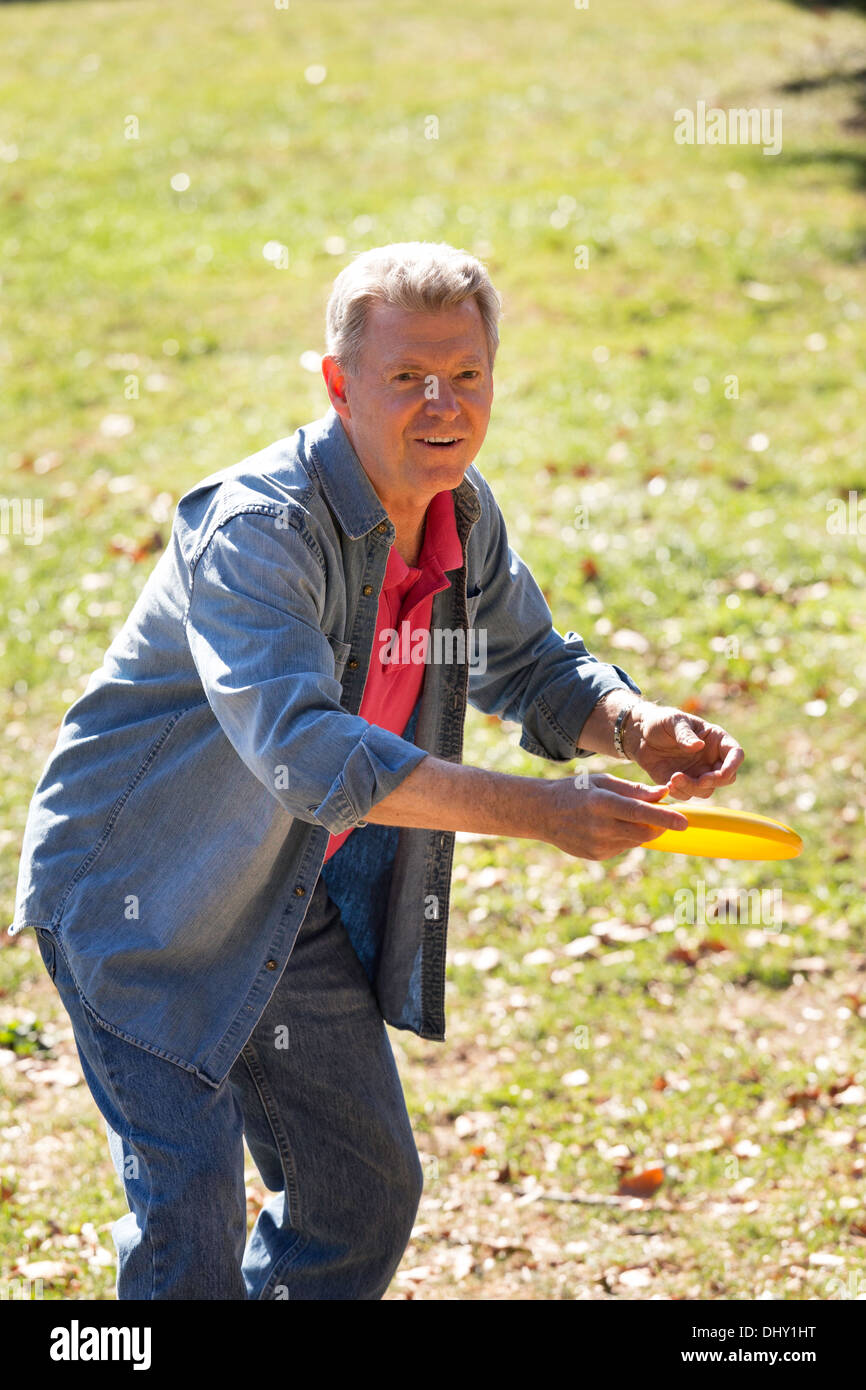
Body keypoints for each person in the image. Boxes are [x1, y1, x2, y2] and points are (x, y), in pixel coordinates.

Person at [10, 240, 743, 1300]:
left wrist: (635, 726)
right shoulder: (260, 529)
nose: (441, 402)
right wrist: (543, 811)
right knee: (190, 1230)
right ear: (338, 383)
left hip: (283, 891)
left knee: (358, 1189)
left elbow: (527, 663)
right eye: (406, 377)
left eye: (467, 376)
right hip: (142, 901)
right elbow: (306, 754)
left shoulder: (459, 511)